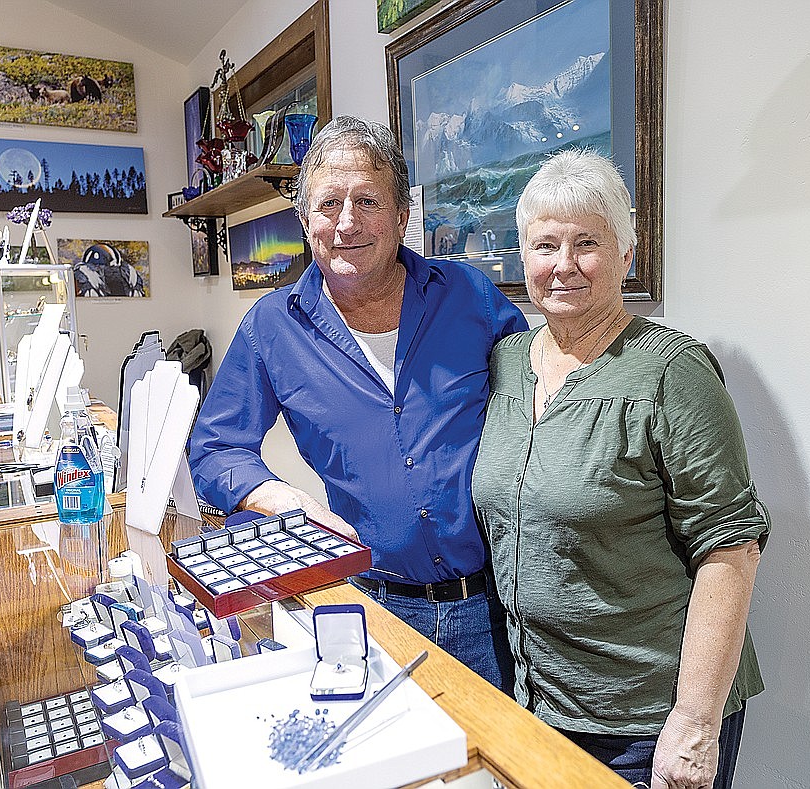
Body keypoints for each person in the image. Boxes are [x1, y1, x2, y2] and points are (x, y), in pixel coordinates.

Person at [189, 115, 528, 691]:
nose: (347, 223)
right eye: (328, 205)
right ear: (304, 218)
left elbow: (537, 403)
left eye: (368, 201)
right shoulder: (273, 329)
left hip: (497, 609)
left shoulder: (469, 296)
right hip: (371, 608)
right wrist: (285, 501)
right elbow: (215, 449)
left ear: (402, 217)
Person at [471, 149, 769, 788]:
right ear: (522, 258)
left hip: (647, 720)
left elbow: (732, 548)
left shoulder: (671, 371)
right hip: (538, 703)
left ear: (627, 257)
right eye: (545, 244)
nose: (563, 265)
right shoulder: (505, 363)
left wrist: (693, 726)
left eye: (587, 243)